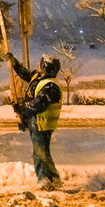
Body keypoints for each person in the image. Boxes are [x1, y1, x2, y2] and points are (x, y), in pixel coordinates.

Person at [7, 52, 63, 191]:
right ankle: (53, 179)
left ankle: (45, 180)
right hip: (36, 124)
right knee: (41, 153)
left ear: (45, 67)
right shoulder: (39, 78)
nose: (37, 63)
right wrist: (14, 63)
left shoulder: (50, 87)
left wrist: (21, 110)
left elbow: (36, 105)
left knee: (40, 154)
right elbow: (25, 75)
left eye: (40, 62)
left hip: (42, 124)